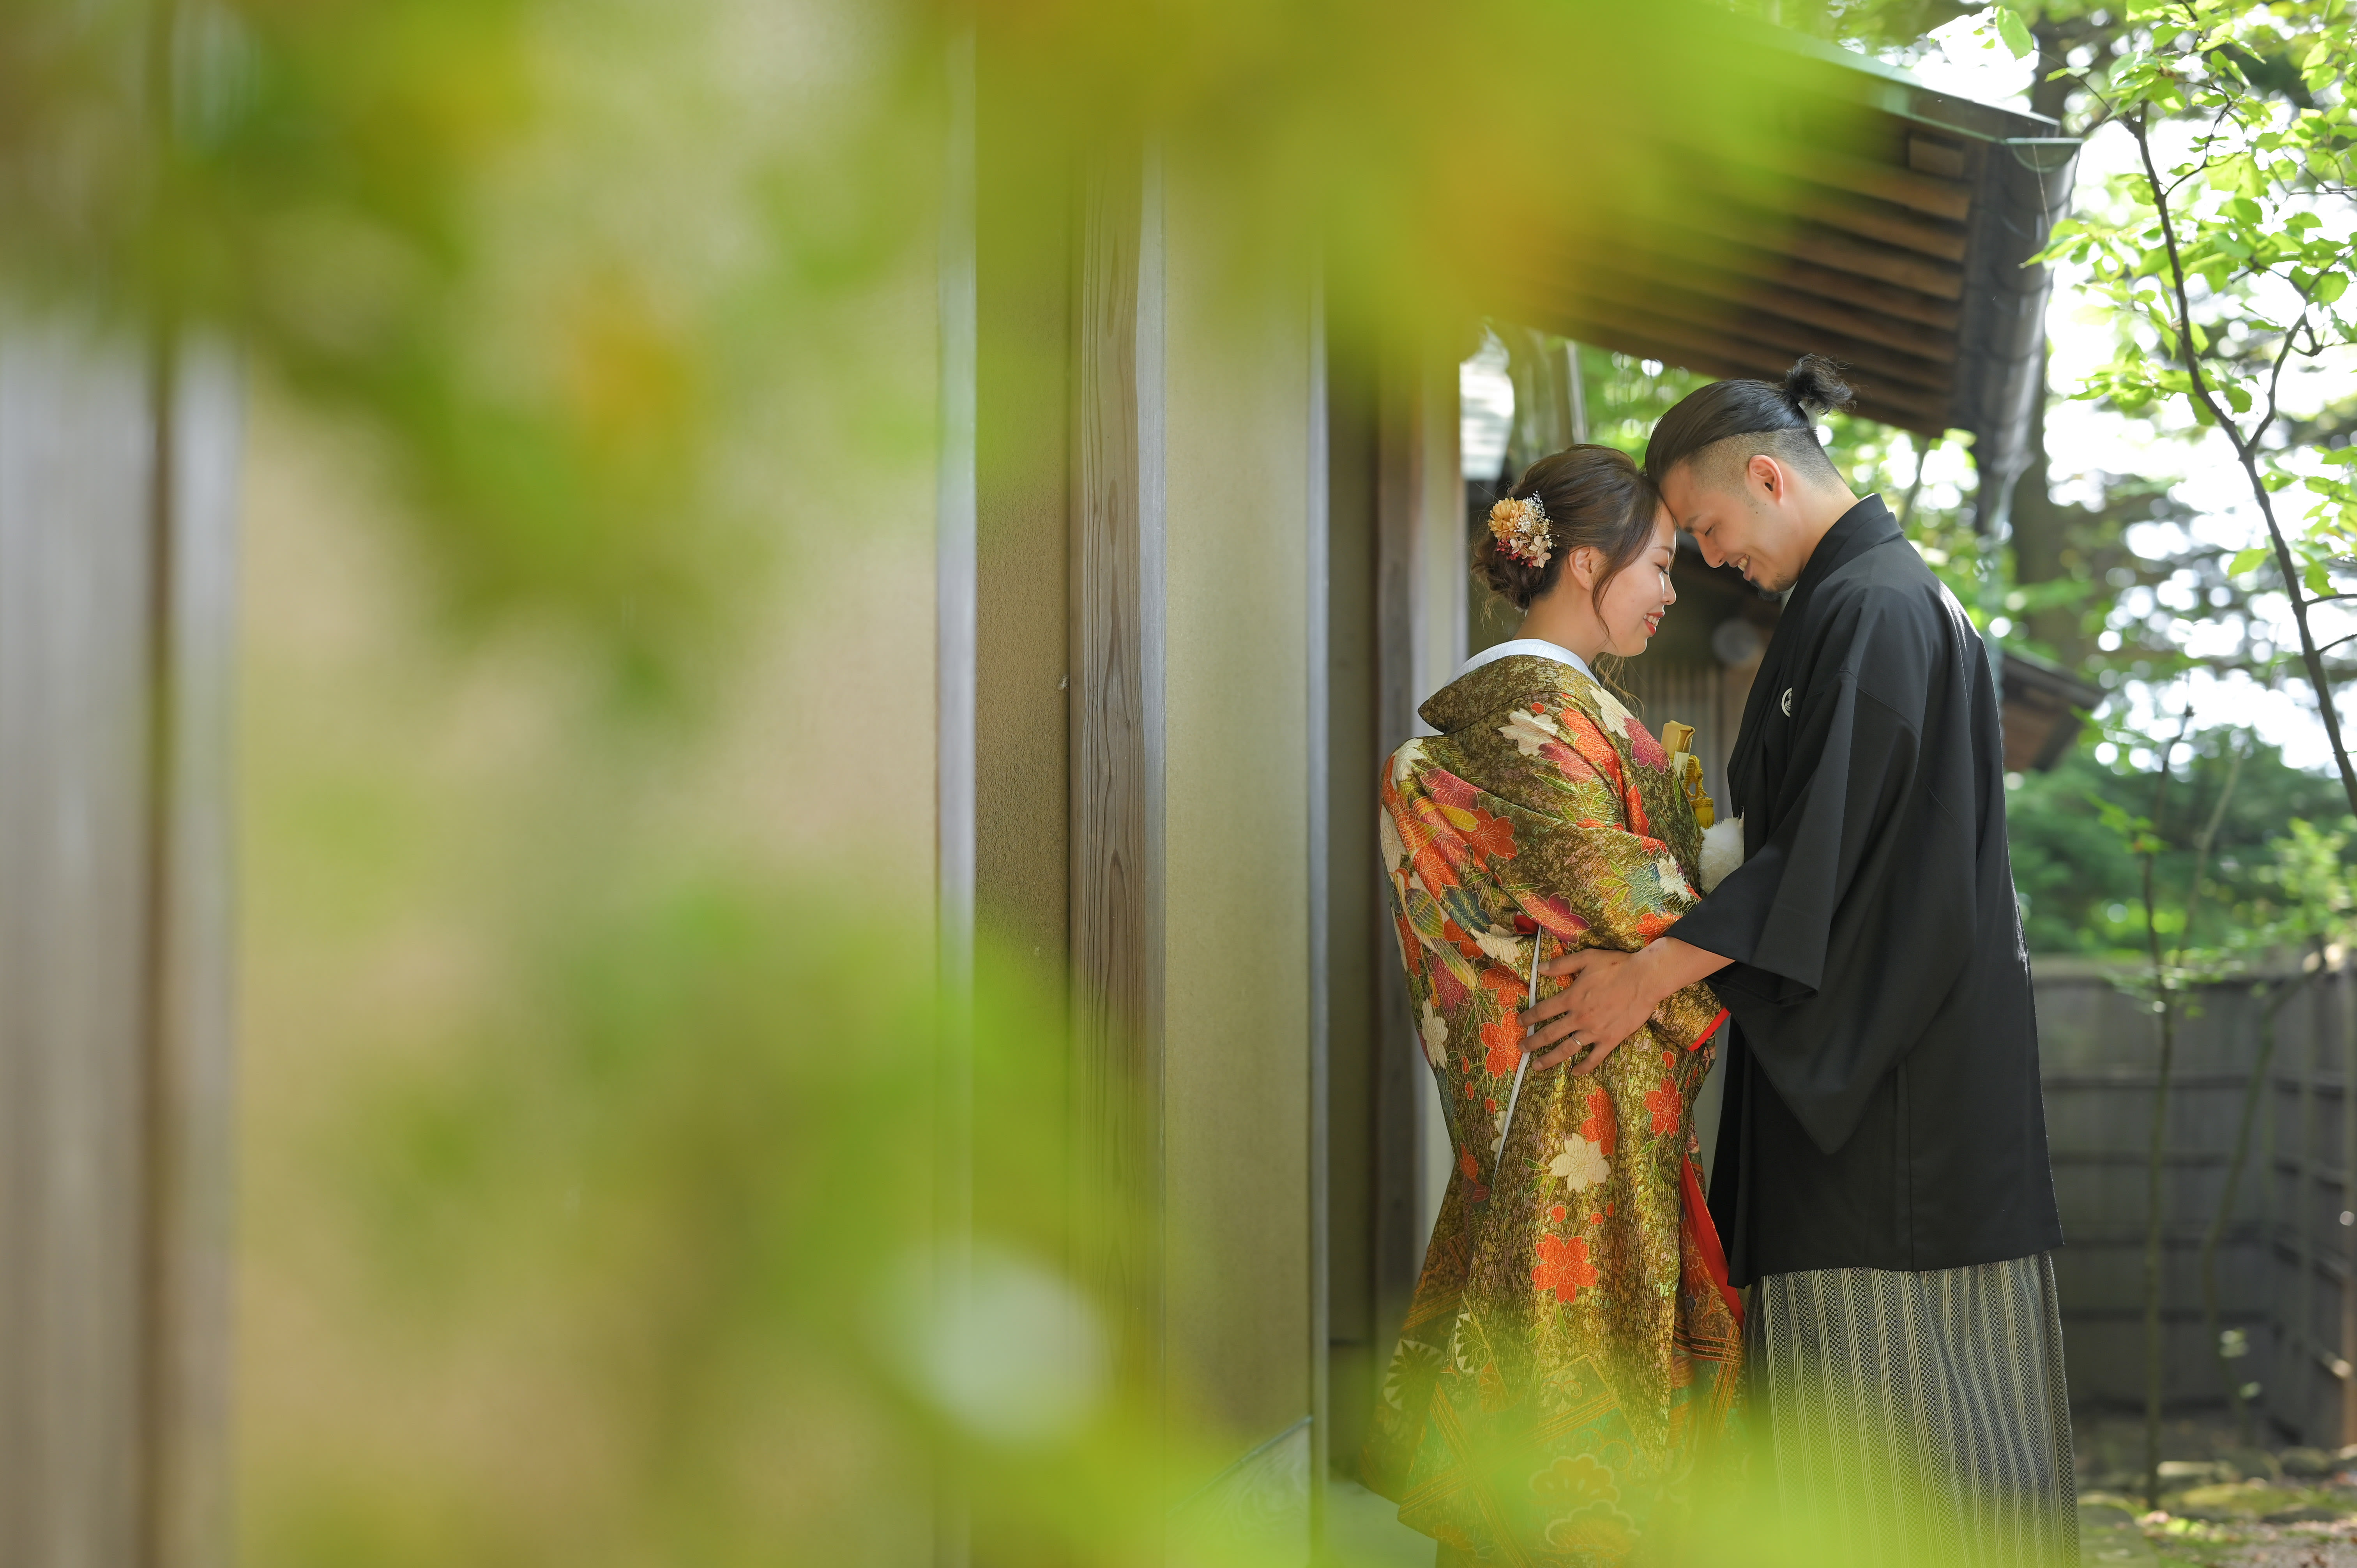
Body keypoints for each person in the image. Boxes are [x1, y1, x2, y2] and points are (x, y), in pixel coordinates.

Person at [1516, 357, 2073, 1566]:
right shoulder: (1866, 599)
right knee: (1880, 1445)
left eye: (1709, 527)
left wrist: (1646, 974)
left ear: (1769, 478)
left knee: (1900, 1440)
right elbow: (1809, 841)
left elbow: (1823, 847)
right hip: (1887, 1068)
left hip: (1896, 1105)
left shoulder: (1876, 606)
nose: (1713, 560)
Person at [1360, 445, 1743, 1568]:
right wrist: (1763, 879)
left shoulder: (1567, 707)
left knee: (1581, 1362)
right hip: (1577, 1092)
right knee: (1573, 1378)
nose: (1671, 589)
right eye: (1659, 563)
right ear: (1585, 563)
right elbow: (1616, 894)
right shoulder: (1531, 712)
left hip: (1596, 1079)